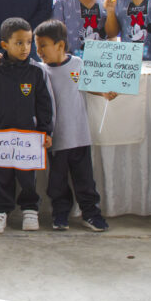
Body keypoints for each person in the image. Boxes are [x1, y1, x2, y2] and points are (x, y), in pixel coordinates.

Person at [0, 17, 54, 234]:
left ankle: (30, 209)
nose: (25, 48)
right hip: (1, 136)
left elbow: (44, 106)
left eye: (29, 42)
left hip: (28, 138)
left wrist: (45, 132)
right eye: (19, 43)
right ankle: (0, 209)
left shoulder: (36, 72)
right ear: (5, 44)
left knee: (27, 176)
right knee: (1, 176)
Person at [33, 19, 108, 232]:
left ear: (60, 45)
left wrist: (104, 92)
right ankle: (60, 213)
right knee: (57, 182)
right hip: (56, 139)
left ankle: (91, 214)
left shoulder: (78, 64)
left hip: (80, 136)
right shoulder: (39, 71)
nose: (39, 51)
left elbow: (90, 84)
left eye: (43, 46)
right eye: (37, 46)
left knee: (85, 180)